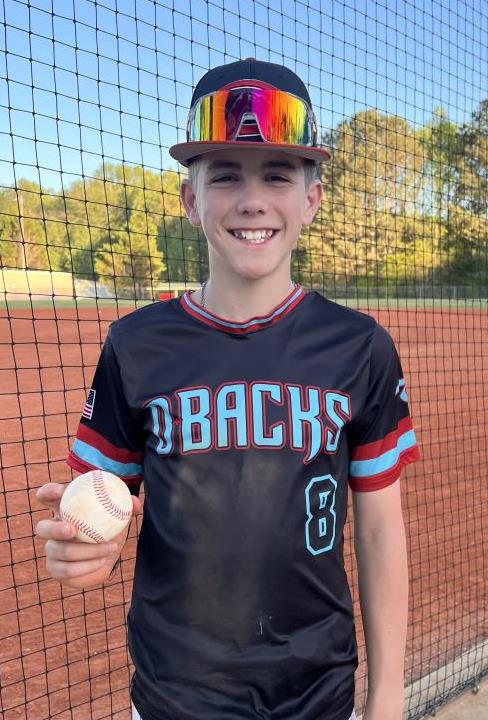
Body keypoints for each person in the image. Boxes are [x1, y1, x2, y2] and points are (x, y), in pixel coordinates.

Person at [35, 58, 420, 720]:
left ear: (312, 200)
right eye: (225, 175)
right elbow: (104, 506)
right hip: (175, 696)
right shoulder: (134, 345)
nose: (252, 199)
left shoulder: (360, 348)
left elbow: (381, 529)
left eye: (277, 174)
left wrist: (386, 697)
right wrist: (89, 549)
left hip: (319, 694)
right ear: (191, 200)